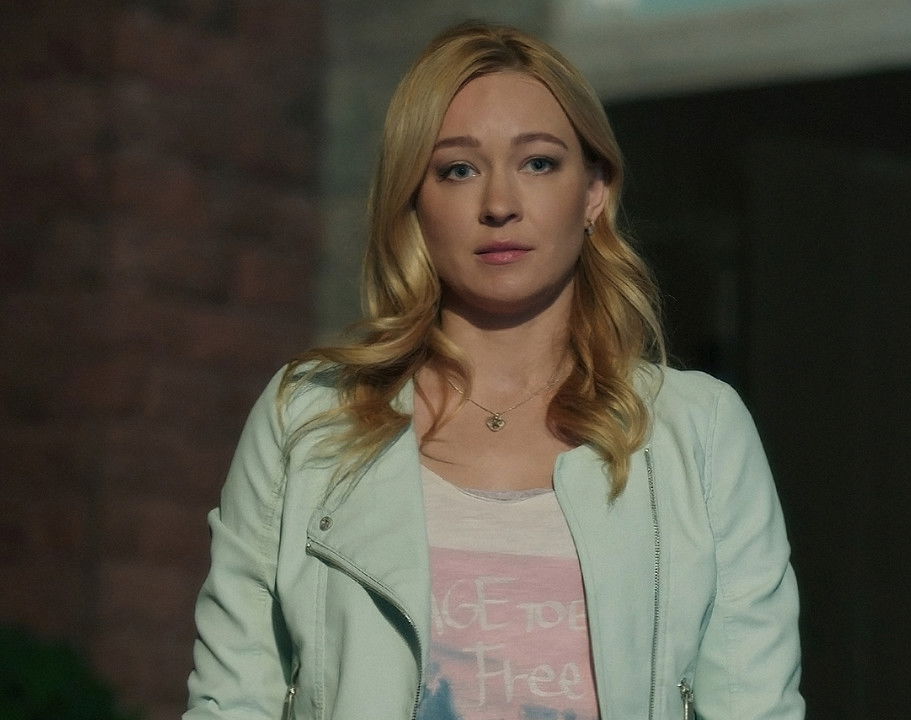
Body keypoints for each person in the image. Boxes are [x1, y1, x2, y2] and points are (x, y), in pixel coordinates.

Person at [184, 21, 802, 720]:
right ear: (414, 201)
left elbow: (756, 705)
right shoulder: (310, 418)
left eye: (538, 163)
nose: (500, 205)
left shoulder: (700, 432)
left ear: (594, 191)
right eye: (458, 169)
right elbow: (232, 701)